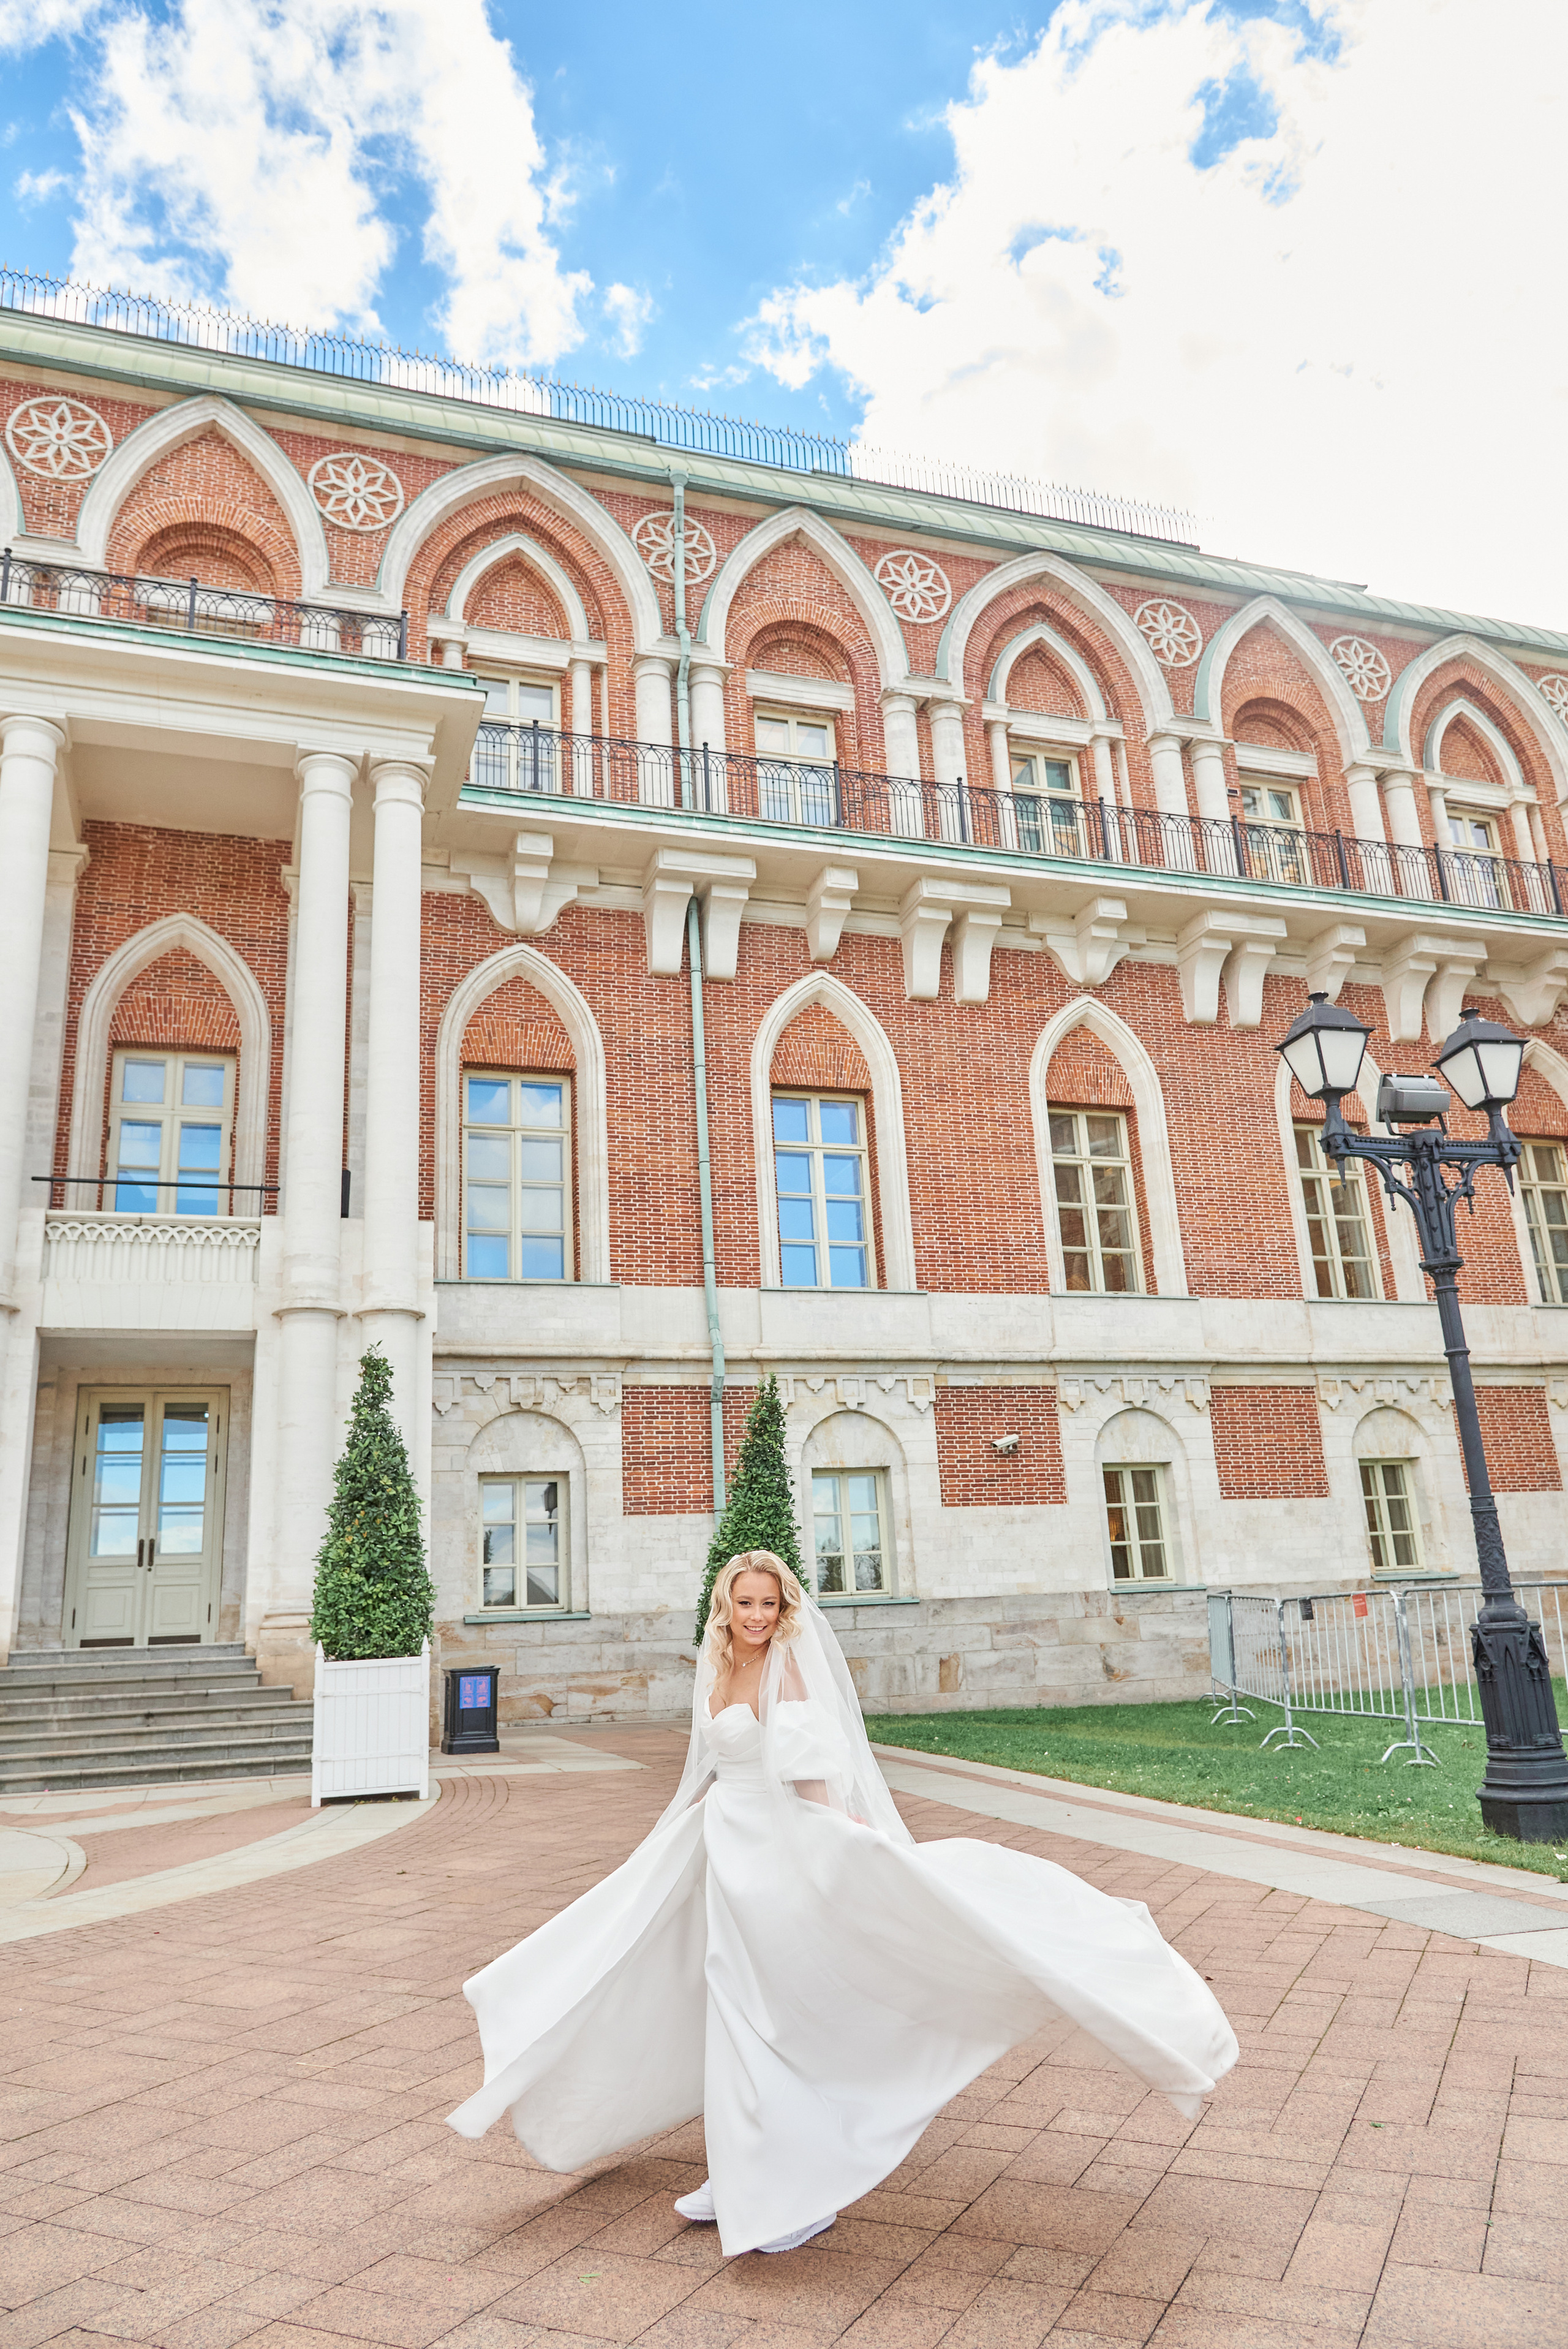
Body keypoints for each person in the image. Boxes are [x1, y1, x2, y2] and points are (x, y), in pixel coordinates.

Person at [448, 1550, 1238, 2256]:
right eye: (744, 1604)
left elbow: (815, 1771)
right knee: (729, 2007)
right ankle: (740, 2175)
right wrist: (670, 1843)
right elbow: (706, 1770)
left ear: (785, 1609)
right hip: (728, 1844)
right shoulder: (715, 1663)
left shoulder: (787, 1669)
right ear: (725, 1607)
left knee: (775, 2015)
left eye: (768, 1604)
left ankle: (793, 2189)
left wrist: (845, 1844)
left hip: (786, 1848)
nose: (756, 1617)